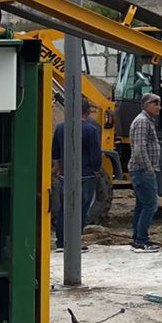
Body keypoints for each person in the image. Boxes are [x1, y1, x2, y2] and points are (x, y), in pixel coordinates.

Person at [52, 101, 101, 249]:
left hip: (65, 176)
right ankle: (74, 242)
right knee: (81, 210)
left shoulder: (60, 128)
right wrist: (96, 170)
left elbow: (55, 152)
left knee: (64, 209)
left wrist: (59, 168)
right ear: (88, 112)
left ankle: (61, 242)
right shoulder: (91, 130)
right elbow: (95, 156)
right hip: (85, 176)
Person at [127, 91, 162, 252]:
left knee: (141, 205)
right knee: (151, 204)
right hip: (142, 170)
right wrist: (148, 168)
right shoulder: (142, 122)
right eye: (155, 103)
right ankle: (142, 240)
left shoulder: (147, 121)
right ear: (146, 105)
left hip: (142, 169)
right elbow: (140, 148)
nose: (159, 107)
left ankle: (137, 238)